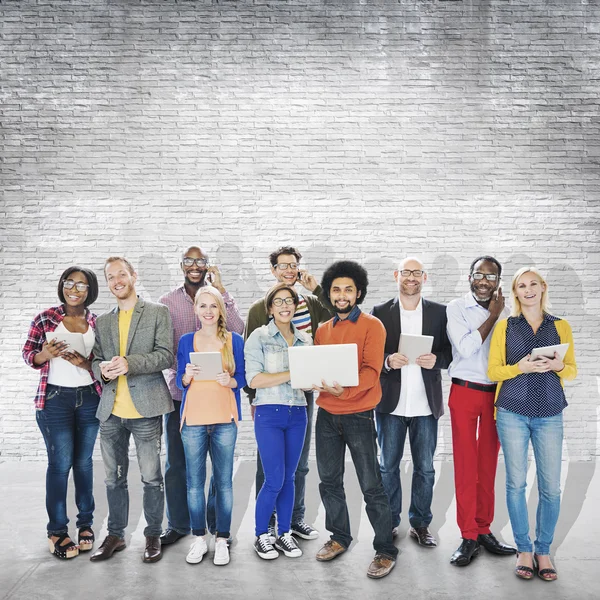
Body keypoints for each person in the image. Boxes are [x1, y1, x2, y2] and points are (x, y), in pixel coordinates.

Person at [488, 267, 577, 581]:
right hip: (512, 412)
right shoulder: (505, 327)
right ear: (515, 292)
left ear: (542, 288)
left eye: (533, 284)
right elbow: (494, 372)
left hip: (550, 412)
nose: (527, 290)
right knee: (516, 484)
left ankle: (543, 550)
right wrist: (520, 366)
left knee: (551, 487)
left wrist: (559, 364)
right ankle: (524, 548)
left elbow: (572, 371)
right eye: (521, 286)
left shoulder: (561, 326)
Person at [313, 260, 398, 579]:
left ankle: (386, 550)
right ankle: (339, 537)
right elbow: (319, 367)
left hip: (360, 416)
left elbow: (371, 372)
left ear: (358, 292)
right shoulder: (323, 330)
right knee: (329, 481)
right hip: (326, 418)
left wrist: (340, 393)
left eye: (348, 289)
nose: (342, 294)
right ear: (330, 294)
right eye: (336, 289)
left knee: (371, 485)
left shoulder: (373, 326)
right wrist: (316, 381)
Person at [245, 246, 333, 541]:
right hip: (269, 396)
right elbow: (252, 355)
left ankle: (294, 519)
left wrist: (318, 288)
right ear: (273, 270)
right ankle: (267, 523)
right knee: (268, 466)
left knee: (299, 463)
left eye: (293, 265)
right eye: (283, 265)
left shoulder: (309, 303)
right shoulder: (261, 307)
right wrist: (253, 398)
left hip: (301, 397)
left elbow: (339, 320)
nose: (288, 270)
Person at [90, 257, 174, 563]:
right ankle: (116, 534)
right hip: (111, 412)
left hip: (146, 410)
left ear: (133, 276)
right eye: (110, 277)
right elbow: (95, 359)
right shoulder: (102, 321)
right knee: (113, 478)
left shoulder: (157, 312)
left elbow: (166, 355)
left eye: (121, 274)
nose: (116, 281)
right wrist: (100, 367)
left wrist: (130, 363)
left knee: (152, 477)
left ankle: (153, 534)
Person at [158, 246, 244, 547]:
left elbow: (237, 332)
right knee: (178, 465)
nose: (195, 266)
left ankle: (216, 526)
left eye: (201, 261)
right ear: (181, 264)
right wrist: (183, 375)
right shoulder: (167, 302)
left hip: (219, 400)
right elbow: (166, 348)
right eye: (189, 261)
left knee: (219, 472)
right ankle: (180, 525)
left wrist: (221, 292)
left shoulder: (218, 300)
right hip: (182, 395)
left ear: (207, 266)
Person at [371, 257, 452, 548]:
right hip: (391, 405)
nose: (411, 278)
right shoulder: (380, 312)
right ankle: (390, 522)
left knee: (426, 468)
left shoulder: (440, 313)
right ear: (397, 275)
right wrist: (388, 361)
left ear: (424, 277)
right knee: (387, 467)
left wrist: (437, 360)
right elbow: (370, 356)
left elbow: (449, 353)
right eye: (406, 272)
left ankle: (420, 524)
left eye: (417, 273)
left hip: (426, 405)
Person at [22, 266, 102, 559]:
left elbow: (101, 364)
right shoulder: (45, 318)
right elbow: (29, 354)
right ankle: (57, 530)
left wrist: (85, 363)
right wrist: (47, 354)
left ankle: (85, 524)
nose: (74, 289)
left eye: (82, 285)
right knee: (60, 465)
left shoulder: (96, 321)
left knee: (83, 464)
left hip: (90, 398)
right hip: (55, 398)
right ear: (62, 285)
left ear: (89, 291)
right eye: (69, 282)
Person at [446, 256, 516, 566]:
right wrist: (493, 315)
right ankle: (468, 536)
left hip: (496, 395)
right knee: (466, 465)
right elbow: (467, 348)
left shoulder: (507, 311)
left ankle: (484, 529)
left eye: (491, 276)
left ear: (499, 281)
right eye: (479, 274)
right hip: (464, 391)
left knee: (488, 465)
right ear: (470, 277)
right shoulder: (457, 308)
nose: (484, 280)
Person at [176, 286, 246, 566]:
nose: (208, 311)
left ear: (221, 310)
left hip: (224, 421)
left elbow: (242, 377)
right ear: (195, 310)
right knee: (194, 484)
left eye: (213, 306)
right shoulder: (185, 341)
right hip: (193, 420)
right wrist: (186, 376)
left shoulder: (234, 340)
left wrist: (230, 381)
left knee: (224, 483)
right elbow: (181, 382)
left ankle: (221, 539)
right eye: (202, 306)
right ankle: (199, 539)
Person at [245, 283, 311, 560]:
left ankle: (284, 533)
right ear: (270, 308)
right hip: (269, 413)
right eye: (279, 302)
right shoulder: (258, 338)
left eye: (290, 301)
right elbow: (254, 380)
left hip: (298, 413)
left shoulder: (306, 340)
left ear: (295, 307)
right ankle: (262, 534)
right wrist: (293, 372)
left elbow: (307, 383)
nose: (285, 306)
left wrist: (317, 379)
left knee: (291, 477)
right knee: (274, 478)